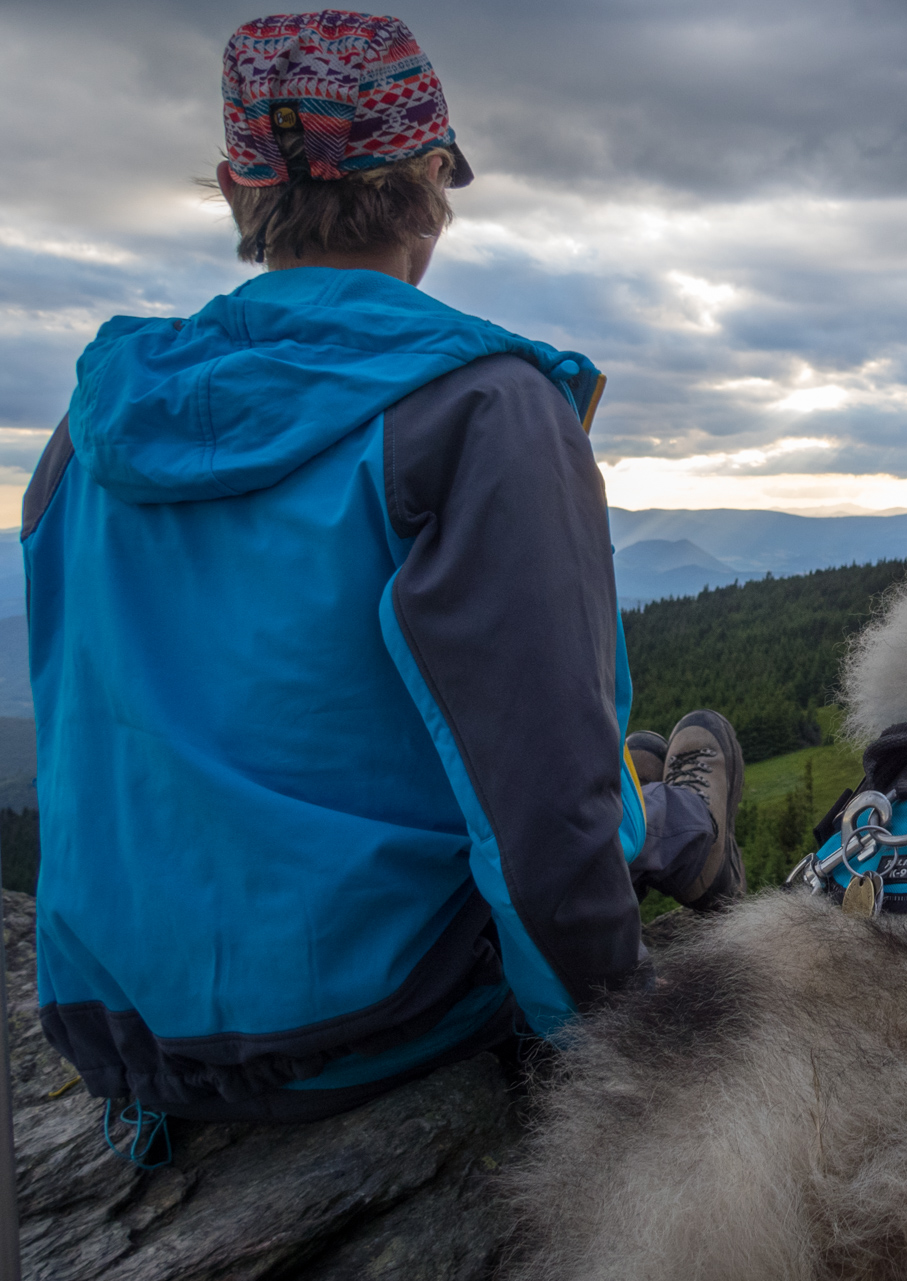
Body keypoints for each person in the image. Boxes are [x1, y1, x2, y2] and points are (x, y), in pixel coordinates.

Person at [23, 12, 742, 1126]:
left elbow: (86, 733)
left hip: (124, 1029)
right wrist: (615, 1042)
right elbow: (543, 807)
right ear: (431, 182)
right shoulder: (482, 412)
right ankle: (684, 829)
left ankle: (660, 808)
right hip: (368, 1017)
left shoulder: (91, 426)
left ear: (232, 190)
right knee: (592, 791)